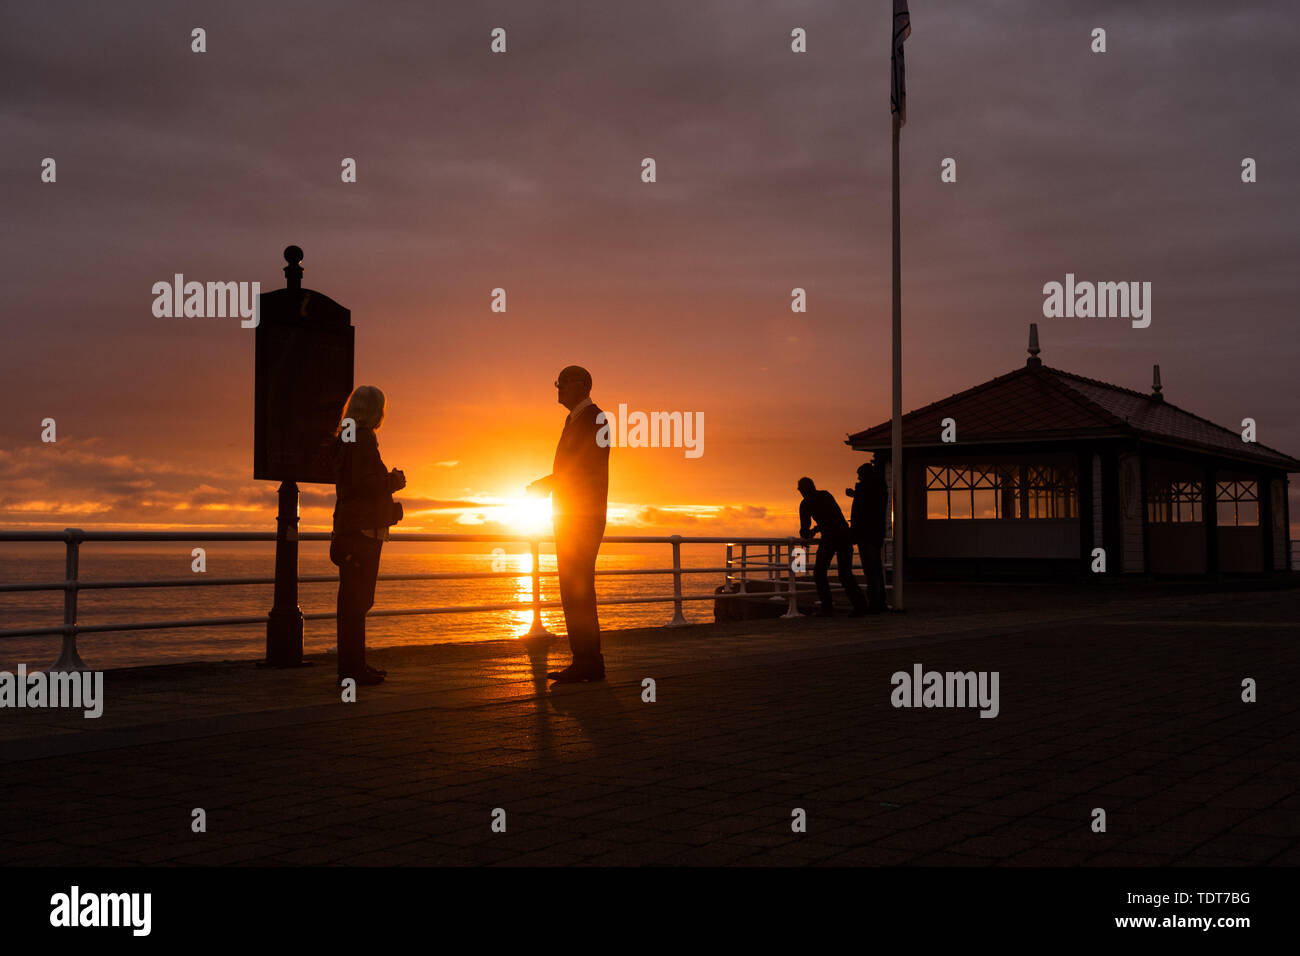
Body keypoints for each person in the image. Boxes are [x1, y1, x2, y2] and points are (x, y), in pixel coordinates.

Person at [527, 366, 610, 683]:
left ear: (582, 386)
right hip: (572, 516)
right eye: (556, 383)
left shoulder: (595, 419)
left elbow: (584, 468)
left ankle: (588, 661)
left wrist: (548, 484)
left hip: (582, 518)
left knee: (578, 588)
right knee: (574, 588)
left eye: (562, 383)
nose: (558, 388)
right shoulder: (577, 420)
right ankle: (586, 659)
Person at [326, 385, 405, 685]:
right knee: (357, 603)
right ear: (376, 410)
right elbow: (365, 484)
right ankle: (352, 671)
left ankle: (353, 667)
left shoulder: (345, 438)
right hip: (361, 533)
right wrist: (394, 481)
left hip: (348, 530)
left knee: (352, 604)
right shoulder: (362, 439)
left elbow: (352, 484)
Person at [797, 476, 867, 617]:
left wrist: (810, 533)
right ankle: (860, 606)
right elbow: (834, 516)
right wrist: (818, 528)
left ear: (802, 490)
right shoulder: (826, 494)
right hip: (845, 535)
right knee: (845, 574)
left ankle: (827, 607)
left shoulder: (806, 503)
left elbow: (805, 530)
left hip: (829, 538)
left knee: (820, 573)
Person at [847, 460, 889, 613]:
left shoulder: (866, 489)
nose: (858, 479)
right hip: (875, 533)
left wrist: (856, 494)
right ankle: (879, 602)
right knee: (875, 569)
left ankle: (875, 603)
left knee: (871, 570)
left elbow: (862, 511)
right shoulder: (880, 488)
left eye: (859, 476)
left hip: (866, 534)